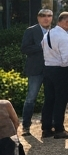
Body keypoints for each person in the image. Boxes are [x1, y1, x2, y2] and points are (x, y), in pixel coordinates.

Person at [41, 11, 68, 139]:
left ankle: (46, 128)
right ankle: (59, 129)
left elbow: (42, 47)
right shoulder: (63, 36)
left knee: (49, 99)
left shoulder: (48, 33)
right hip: (61, 71)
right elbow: (67, 58)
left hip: (48, 69)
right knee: (61, 99)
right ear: (66, 22)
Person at [20, 8, 53, 136]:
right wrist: (41, 46)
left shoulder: (55, 31)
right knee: (31, 98)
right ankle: (26, 126)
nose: (46, 18)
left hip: (51, 69)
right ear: (38, 18)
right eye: (43, 16)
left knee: (50, 98)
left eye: (49, 15)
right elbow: (24, 48)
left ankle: (47, 125)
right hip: (35, 70)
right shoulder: (31, 31)